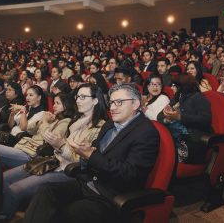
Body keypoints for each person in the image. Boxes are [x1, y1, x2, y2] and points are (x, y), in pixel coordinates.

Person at [23, 83, 159, 223]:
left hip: (109, 194)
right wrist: (84, 151)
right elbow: (94, 150)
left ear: (135, 103)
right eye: (111, 102)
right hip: (87, 182)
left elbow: (130, 173)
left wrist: (91, 156)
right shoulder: (110, 124)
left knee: (70, 212)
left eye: (119, 102)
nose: (112, 107)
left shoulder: (146, 132)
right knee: (46, 191)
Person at [1, 84, 107, 221]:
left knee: (14, 190)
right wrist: (58, 144)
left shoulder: (100, 127)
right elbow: (30, 129)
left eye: (83, 97)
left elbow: (82, 162)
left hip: (68, 171)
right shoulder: (76, 121)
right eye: (77, 96)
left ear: (95, 100)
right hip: (52, 161)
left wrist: (61, 145)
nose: (78, 100)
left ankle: (3, 217)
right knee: (3, 178)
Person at [0, 93, 75, 168]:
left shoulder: (66, 122)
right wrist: (41, 122)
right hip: (26, 147)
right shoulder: (54, 118)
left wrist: (45, 122)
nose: (54, 106)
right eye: (54, 103)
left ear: (66, 106)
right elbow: (29, 130)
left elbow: (49, 139)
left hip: (34, 155)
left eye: (57, 103)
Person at [158, 74, 212, 163]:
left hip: (190, 140)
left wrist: (179, 117)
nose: (171, 88)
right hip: (174, 136)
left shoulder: (199, 98)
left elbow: (205, 119)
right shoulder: (178, 97)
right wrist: (167, 119)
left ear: (184, 86)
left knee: (162, 155)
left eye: (174, 86)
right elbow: (159, 116)